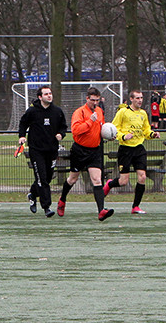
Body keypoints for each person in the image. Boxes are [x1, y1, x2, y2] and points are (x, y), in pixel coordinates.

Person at [56, 87, 114, 221]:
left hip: (95, 151)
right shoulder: (80, 112)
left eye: (97, 100)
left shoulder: (99, 111)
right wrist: (90, 121)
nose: (95, 103)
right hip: (80, 151)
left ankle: (101, 211)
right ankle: (62, 200)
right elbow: (76, 130)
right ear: (87, 98)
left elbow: (101, 128)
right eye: (93, 100)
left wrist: (108, 135)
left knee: (97, 180)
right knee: (72, 179)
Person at [103, 89, 159, 214]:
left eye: (141, 98)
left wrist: (152, 134)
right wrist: (123, 136)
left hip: (139, 148)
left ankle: (135, 207)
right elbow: (113, 130)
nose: (140, 100)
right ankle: (110, 184)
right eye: (137, 98)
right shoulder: (123, 112)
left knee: (142, 177)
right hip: (125, 149)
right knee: (123, 181)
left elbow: (146, 130)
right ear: (131, 99)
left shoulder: (143, 113)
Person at [17, 85, 67, 218]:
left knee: (48, 177)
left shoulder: (57, 111)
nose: (49, 96)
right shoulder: (32, 111)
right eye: (46, 94)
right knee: (42, 178)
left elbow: (63, 126)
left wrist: (61, 134)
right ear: (40, 97)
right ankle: (46, 207)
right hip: (36, 150)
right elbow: (23, 123)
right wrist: (22, 136)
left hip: (52, 150)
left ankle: (33, 194)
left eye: (50, 93)